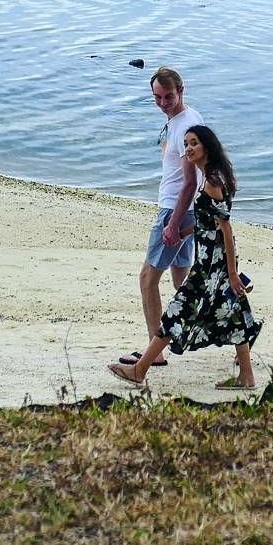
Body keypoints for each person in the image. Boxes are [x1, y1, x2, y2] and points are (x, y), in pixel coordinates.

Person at [108, 124, 261, 389]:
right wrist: (182, 232)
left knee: (178, 309)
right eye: (186, 144)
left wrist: (232, 273)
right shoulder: (210, 176)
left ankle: (139, 370)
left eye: (194, 144)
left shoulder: (212, 180)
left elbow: (226, 227)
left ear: (207, 147)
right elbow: (208, 221)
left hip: (212, 264)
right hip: (212, 259)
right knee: (233, 311)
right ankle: (246, 376)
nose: (188, 149)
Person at [116, 67, 202, 370]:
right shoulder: (186, 119)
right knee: (184, 282)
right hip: (185, 209)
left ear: (181, 91)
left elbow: (189, 181)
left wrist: (173, 223)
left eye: (168, 96)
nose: (163, 102)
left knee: (147, 279)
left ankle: (156, 352)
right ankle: (230, 331)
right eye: (157, 97)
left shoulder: (185, 126)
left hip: (175, 209)